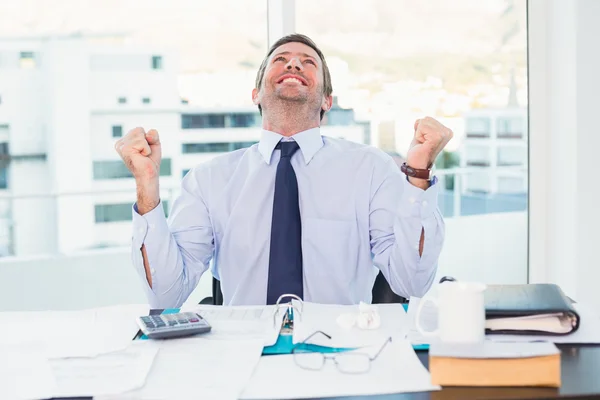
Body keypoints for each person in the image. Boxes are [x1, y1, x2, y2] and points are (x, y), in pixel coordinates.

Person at [115, 34, 452, 308]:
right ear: (256, 94)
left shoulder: (370, 168)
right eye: (280, 59)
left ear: (327, 101)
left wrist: (419, 175)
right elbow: (166, 295)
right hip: (243, 358)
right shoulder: (208, 180)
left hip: (343, 356)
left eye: (308, 63)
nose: (293, 63)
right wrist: (147, 188)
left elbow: (412, 282)